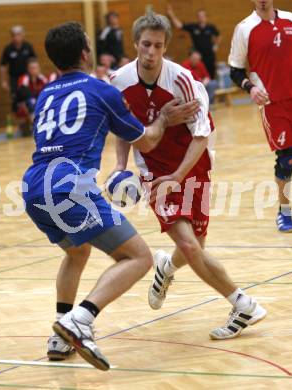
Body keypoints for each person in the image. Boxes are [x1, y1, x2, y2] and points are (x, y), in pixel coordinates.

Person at [22, 22, 198, 368]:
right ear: (86, 53)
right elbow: (146, 140)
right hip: (70, 186)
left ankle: (59, 336)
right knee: (138, 258)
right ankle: (80, 319)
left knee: (76, 251)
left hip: (32, 185)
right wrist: (163, 118)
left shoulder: (45, 94)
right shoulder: (101, 90)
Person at [111, 12, 266, 341]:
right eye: (145, 45)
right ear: (135, 44)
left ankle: (166, 268)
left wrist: (179, 175)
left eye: (158, 45)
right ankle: (244, 304)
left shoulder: (183, 81)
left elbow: (201, 133)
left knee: (196, 245)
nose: (151, 52)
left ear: (166, 47)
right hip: (155, 171)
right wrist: (120, 167)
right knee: (189, 245)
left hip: (193, 164)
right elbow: (122, 129)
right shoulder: (119, 81)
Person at [228, 1, 292, 232]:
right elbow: (235, 71)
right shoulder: (245, 28)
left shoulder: (290, 19)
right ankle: (284, 213)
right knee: (287, 158)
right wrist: (251, 88)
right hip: (273, 103)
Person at [167, 5, 220, 79]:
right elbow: (179, 26)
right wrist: (171, 14)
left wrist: (216, 46)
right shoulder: (193, 27)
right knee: (199, 79)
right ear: (197, 17)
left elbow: (218, 36)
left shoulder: (211, 27)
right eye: (199, 16)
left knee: (210, 78)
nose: (201, 17)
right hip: (198, 59)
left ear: (205, 17)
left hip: (210, 57)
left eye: (203, 16)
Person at [0, 25, 36, 112]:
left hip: (27, 78)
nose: (16, 37)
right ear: (12, 37)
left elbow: (34, 61)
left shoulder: (28, 46)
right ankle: (23, 122)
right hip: (14, 79)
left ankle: (30, 121)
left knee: (29, 100)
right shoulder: (8, 49)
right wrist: (3, 81)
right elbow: (3, 66)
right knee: (16, 102)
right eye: (14, 35)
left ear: (23, 35)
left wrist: (35, 75)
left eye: (19, 35)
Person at [16, 58, 47, 135]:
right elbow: (23, 96)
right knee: (30, 102)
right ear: (28, 69)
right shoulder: (24, 79)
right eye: (32, 68)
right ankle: (34, 126)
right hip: (24, 104)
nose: (34, 70)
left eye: (36, 68)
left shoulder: (42, 79)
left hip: (38, 103)